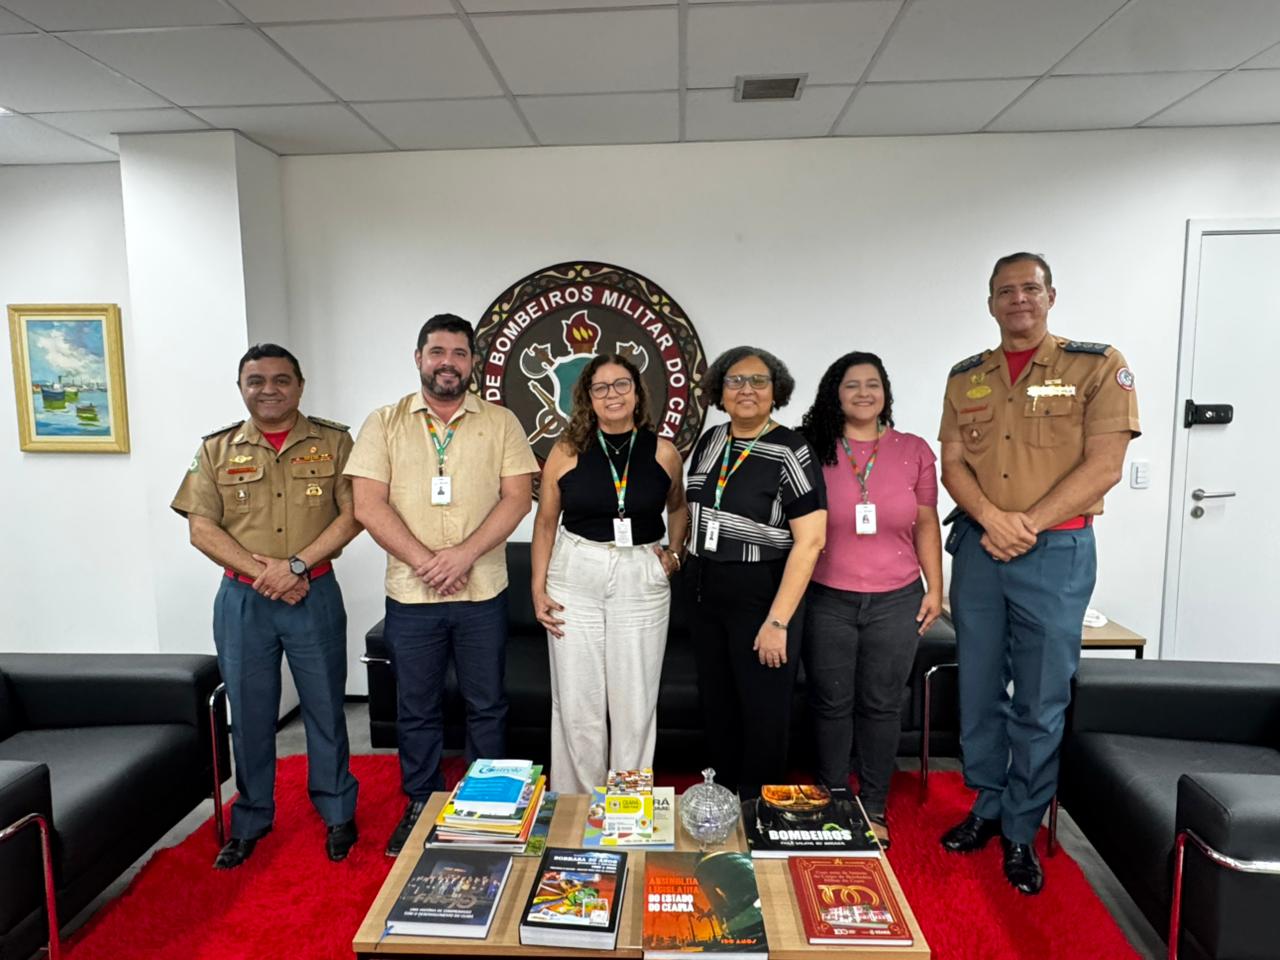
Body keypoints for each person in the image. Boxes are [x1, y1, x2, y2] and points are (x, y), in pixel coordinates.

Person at [937, 253, 1140, 894]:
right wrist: (992, 520)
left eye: (1030, 288)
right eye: (1006, 291)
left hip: (1054, 551)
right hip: (980, 549)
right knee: (977, 688)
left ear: (1051, 296)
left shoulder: (1096, 365)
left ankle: (1022, 827)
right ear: (990, 303)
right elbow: (952, 463)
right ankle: (987, 803)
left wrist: (1023, 524)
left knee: (1041, 695)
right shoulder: (967, 377)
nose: (1018, 299)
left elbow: (1105, 465)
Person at [345, 313, 537, 857]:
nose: (447, 362)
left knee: (487, 704)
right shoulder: (383, 423)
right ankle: (420, 804)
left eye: (458, 353)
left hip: (483, 593)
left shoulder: (501, 422)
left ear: (473, 362)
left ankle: (488, 808)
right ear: (419, 358)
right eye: (437, 352)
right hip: (412, 595)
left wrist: (463, 556)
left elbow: (517, 499)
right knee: (416, 706)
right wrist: (428, 562)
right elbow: (367, 505)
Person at [171, 343, 362, 868]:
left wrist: (296, 566)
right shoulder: (217, 449)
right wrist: (270, 575)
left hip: (314, 592)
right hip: (243, 600)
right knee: (250, 713)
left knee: (325, 707)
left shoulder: (335, 442)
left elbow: (354, 514)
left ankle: (338, 812)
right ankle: (252, 818)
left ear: (300, 386)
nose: (269, 389)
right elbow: (200, 528)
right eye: (256, 381)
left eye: (281, 380)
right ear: (241, 388)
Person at [797, 351, 942, 848]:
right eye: (852, 385)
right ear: (834, 394)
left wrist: (935, 587)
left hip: (897, 599)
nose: (863, 393)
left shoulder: (913, 450)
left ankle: (874, 804)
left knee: (882, 705)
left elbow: (926, 523)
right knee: (830, 702)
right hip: (828, 598)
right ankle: (835, 798)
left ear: (885, 392)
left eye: (872, 384)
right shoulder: (814, 450)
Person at [531, 354, 689, 794]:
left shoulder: (663, 452)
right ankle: (578, 804)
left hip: (641, 574)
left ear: (637, 393)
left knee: (634, 701)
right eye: (600, 387)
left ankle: (627, 805)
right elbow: (545, 523)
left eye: (622, 384)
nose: (612, 394)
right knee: (577, 700)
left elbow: (679, 508)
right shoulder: (566, 451)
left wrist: (675, 555)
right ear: (588, 397)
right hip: (575, 572)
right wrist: (538, 588)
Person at [684, 346, 827, 799]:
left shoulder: (792, 449)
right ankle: (723, 798)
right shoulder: (711, 440)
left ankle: (758, 807)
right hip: (704, 588)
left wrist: (778, 621)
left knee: (763, 709)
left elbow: (811, 541)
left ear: (775, 390)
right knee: (718, 704)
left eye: (758, 380)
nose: (746, 389)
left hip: (762, 592)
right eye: (735, 381)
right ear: (720, 391)